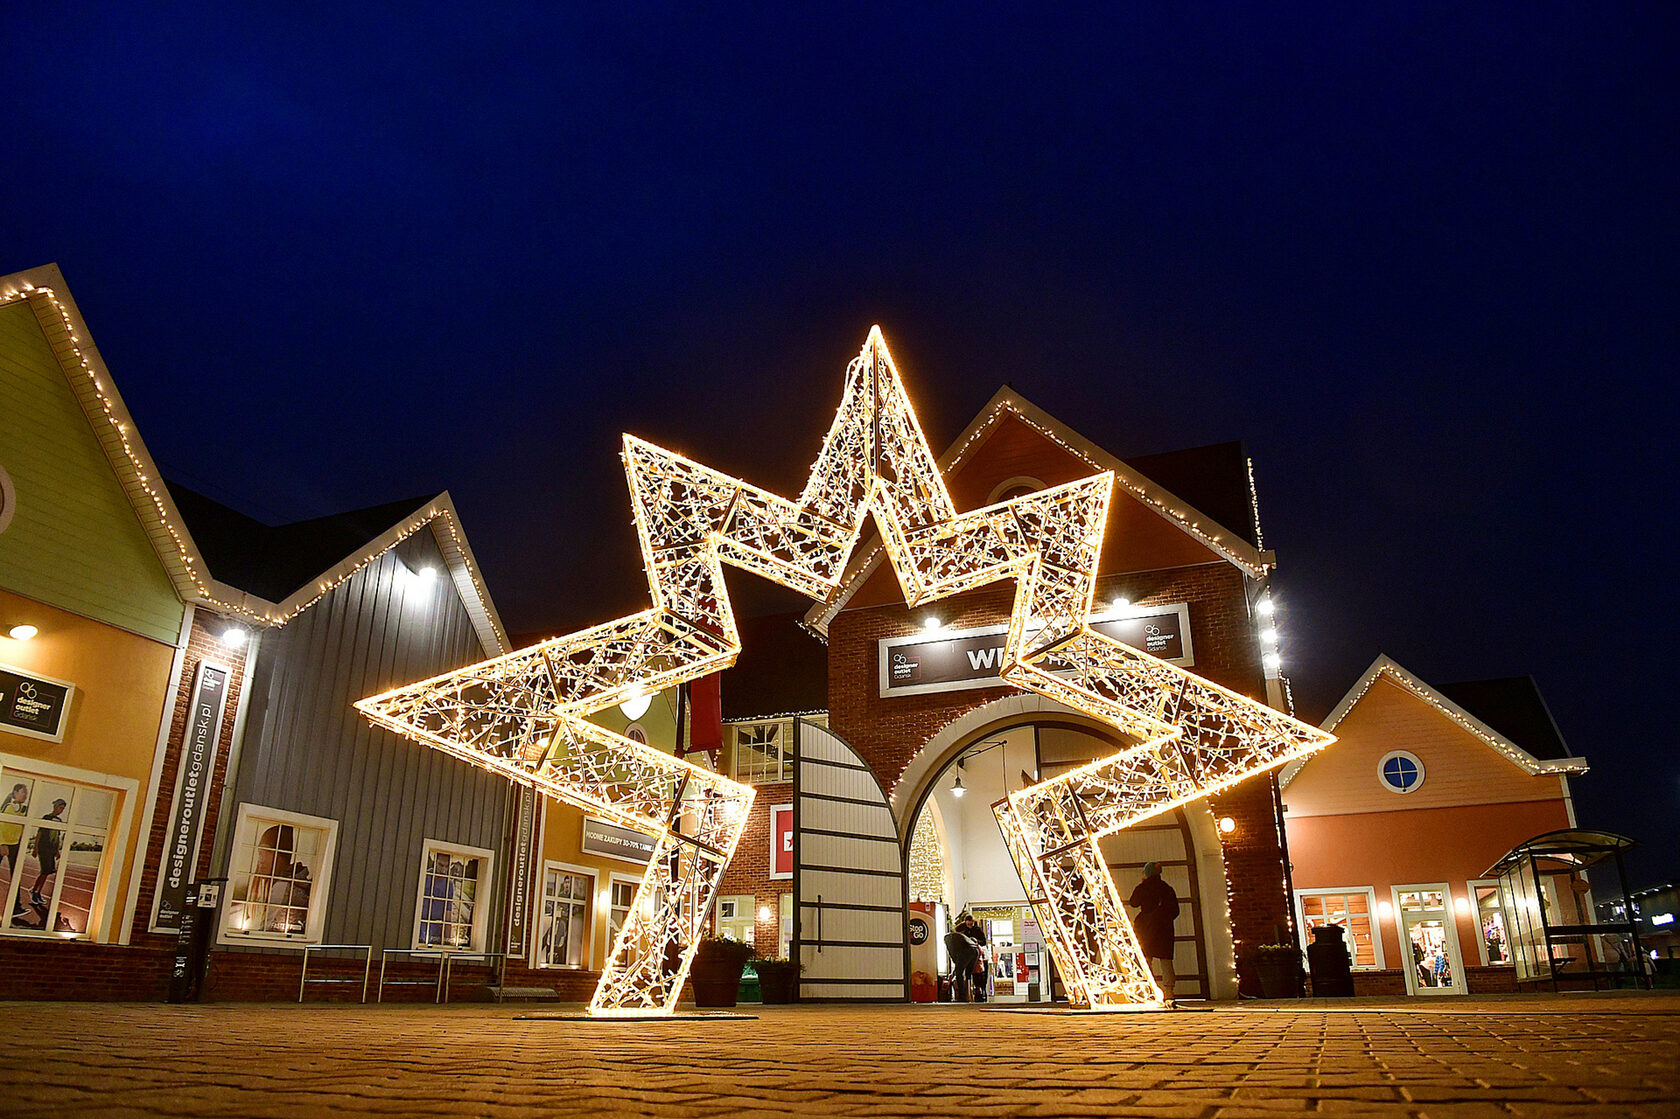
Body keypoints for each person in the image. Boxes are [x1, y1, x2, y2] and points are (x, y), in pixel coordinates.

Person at [1126, 862, 1180, 1004]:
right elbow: (1175, 911)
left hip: (1146, 928)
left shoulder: (1143, 888)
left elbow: (1133, 903)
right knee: (1166, 960)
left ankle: (1149, 990)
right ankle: (1169, 991)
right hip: (1164, 929)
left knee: (1146, 959)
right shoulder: (1167, 889)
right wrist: (1163, 918)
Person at [30, 798, 66, 906]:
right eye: (60, 808)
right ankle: (35, 892)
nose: (61, 810)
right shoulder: (47, 817)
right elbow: (40, 833)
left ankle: (36, 891)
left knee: (48, 871)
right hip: (43, 847)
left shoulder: (59, 821)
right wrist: (35, 848)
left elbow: (58, 836)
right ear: (55, 807)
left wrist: (57, 850)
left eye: (63, 809)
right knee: (44, 871)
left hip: (51, 849)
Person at [1, 784, 27, 918]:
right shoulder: (7, 807)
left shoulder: (23, 810)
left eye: (26, 793)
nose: (25, 795)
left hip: (15, 845)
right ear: (15, 793)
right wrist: (2, 843)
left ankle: (16, 907)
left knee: (16, 876)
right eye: (23, 792)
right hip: (3, 843)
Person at [955, 910, 990, 1002]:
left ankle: (978, 992)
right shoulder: (965, 931)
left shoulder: (977, 930)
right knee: (977, 974)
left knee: (979, 975)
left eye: (970, 923)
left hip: (977, 955)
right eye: (968, 923)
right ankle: (974, 992)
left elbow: (983, 942)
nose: (969, 925)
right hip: (971, 956)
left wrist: (976, 941)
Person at [944, 920, 979, 1002]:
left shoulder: (949, 937)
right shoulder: (964, 938)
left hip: (967, 951)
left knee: (959, 974)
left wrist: (956, 965)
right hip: (975, 951)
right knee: (968, 975)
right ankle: (969, 995)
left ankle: (962, 996)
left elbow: (952, 952)